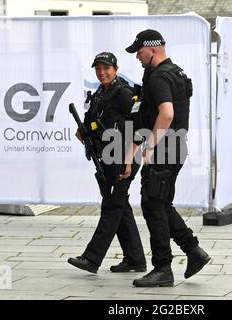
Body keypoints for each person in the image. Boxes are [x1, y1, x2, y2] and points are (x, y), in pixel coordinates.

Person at [125, 30, 211, 287]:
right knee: (161, 204)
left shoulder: (160, 77)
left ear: (152, 49)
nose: (137, 58)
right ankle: (194, 252)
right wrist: (131, 153)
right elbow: (147, 116)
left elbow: (166, 114)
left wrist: (150, 146)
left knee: (152, 205)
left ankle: (162, 269)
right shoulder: (176, 72)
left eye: (138, 52)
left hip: (164, 150)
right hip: (175, 148)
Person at [67, 52, 146, 274]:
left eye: (106, 68)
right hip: (109, 157)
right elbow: (93, 122)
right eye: (98, 69)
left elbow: (138, 126)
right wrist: (83, 132)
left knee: (112, 206)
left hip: (125, 157)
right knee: (119, 207)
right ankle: (135, 259)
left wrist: (129, 161)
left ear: (116, 69)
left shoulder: (123, 93)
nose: (102, 72)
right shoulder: (101, 93)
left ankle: (91, 259)